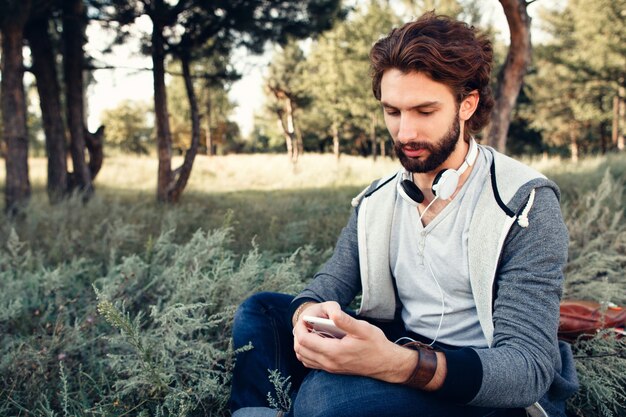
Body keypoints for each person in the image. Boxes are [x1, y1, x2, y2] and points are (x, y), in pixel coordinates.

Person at [229, 12, 578, 417]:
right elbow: (331, 281)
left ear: (467, 105)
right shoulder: (377, 200)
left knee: (324, 400)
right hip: (404, 342)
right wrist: (310, 316)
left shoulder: (525, 203)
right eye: (392, 112)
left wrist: (392, 364)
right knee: (264, 312)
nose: (405, 133)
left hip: (480, 377)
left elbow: (527, 369)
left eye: (424, 111)